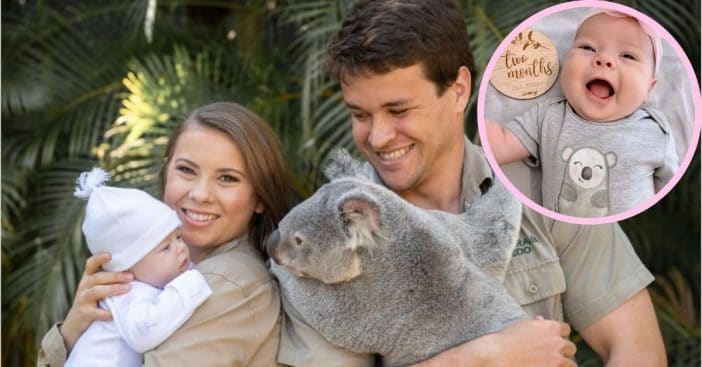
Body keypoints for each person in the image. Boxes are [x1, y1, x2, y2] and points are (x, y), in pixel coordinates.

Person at [275, 1, 666, 366]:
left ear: (458, 90)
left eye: (399, 110)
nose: (377, 137)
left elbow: (638, 348)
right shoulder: (316, 240)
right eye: (360, 115)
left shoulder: (545, 190)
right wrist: (485, 356)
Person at [37, 102, 292, 366]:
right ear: (166, 170)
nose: (199, 194)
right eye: (186, 170)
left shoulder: (225, 282)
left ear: (260, 196)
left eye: (227, 178)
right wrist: (73, 330)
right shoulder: (155, 275)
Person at [486, 9, 679, 217]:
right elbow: (500, 144)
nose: (604, 59)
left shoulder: (654, 130)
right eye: (588, 47)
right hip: (560, 235)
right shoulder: (549, 116)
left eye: (627, 56)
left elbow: (668, 187)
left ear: (648, 89)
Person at [67, 167, 212, 366]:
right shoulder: (125, 291)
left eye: (178, 237)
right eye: (165, 248)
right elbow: (144, 333)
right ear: (127, 268)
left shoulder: (148, 279)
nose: (180, 248)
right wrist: (192, 284)